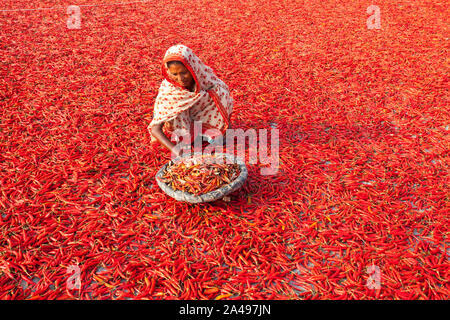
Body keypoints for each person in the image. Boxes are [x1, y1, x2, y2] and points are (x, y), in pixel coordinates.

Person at [148, 44, 233, 156]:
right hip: (182, 126)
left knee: (219, 93)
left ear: (192, 67)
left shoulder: (203, 78)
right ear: (168, 71)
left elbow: (221, 92)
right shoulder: (169, 90)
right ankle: (188, 137)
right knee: (175, 109)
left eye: (184, 72)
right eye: (174, 74)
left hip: (197, 116)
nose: (180, 79)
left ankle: (212, 132)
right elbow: (155, 129)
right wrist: (176, 150)